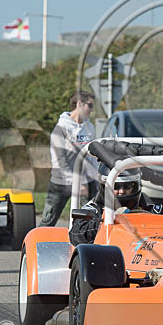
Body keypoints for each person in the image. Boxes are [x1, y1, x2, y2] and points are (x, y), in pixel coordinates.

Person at [39, 90, 98, 227]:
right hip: (61, 181)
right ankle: (36, 240)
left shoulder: (89, 127)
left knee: (93, 220)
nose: (91, 110)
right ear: (79, 104)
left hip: (86, 181)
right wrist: (75, 182)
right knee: (48, 222)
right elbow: (59, 161)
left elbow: (93, 156)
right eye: (90, 105)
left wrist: (96, 177)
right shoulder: (61, 128)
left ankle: (85, 240)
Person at [69, 163, 163, 245]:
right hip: (108, 256)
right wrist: (106, 220)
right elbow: (76, 235)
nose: (122, 191)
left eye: (128, 186)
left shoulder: (153, 211)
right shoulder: (93, 210)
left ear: (136, 185)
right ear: (105, 186)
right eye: (116, 186)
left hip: (144, 254)